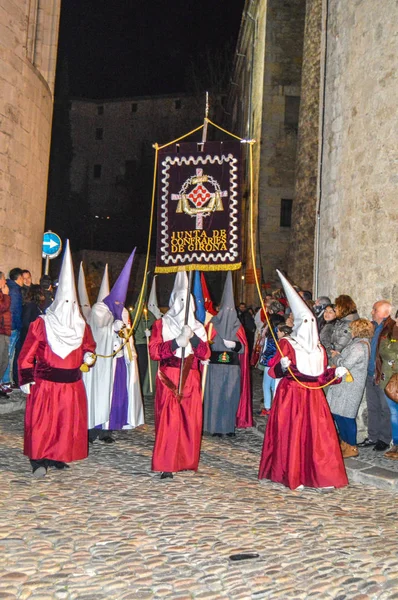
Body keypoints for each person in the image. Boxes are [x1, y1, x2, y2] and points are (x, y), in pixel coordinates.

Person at [258, 270, 348, 491]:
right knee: (293, 435)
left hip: (314, 397)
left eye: (310, 321)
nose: (308, 325)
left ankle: (321, 475)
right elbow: (272, 373)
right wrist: (282, 366)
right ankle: (291, 474)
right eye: (304, 321)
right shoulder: (288, 344)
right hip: (292, 396)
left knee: (319, 437)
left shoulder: (319, 348)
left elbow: (321, 377)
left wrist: (335, 374)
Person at [18, 241, 96, 478]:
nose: (69, 307)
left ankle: (57, 454)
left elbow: (88, 346)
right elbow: (27, 353)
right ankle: (38, 459)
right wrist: (26, 378)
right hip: (46, 385)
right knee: (43, 423)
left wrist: (89, 356)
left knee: (65, 423)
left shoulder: (80, 325)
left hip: (71, 386)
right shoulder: (42, 324)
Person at [149, 272, 210, 479]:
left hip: (191, 378)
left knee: (188, 420)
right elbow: (154, 351)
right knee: (169, 420)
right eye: (180, 300)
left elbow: (205, 354)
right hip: (169, 377)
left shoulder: (198, 327)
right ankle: (167, 463)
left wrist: (192, 339)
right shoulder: (161, 325)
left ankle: (185, 459)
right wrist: (176, 343)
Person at [84, 250, 144, 443]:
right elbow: (97, 330)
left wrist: (130, 351)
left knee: (115, 396)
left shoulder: (124, 311)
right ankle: (93, 428)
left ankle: (108, 429)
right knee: (99, 394)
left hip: (118, 361)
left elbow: (128, 334)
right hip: (101, 362)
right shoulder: (98, 310)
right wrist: (111, 328)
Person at [203, 272, 252, 437]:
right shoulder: (212, 325)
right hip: (215, 367)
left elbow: (244, 349)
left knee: (230, 397)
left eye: (232, 310)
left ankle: (228, 427)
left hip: (232, 368)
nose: (229, 312)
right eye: (226, 309)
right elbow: (205, 344)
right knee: (216, 396)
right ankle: (215, 427)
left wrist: (237, 345)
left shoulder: (238, 327)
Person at [327, 319, 373, 458]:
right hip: (344, 386)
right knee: (338, 414)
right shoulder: (356, 343)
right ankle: (345, 443)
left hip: (350, 387)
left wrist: (336, 357)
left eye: (352, 328)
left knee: (346, 416)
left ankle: (352, 446)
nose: (350, 331)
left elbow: (346, 364)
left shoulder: (359, 347)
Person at [358, 300, 394, 451]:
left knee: (385, 409)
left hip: (384, 374)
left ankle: (384, 439)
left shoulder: (392, 328)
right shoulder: (372, 326)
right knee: (372, 407)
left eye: (375, 309)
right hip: (370, 372)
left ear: (385, 313)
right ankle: (373, 436)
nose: (372, 311)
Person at [0, 268, 23, 390]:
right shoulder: (12, 291)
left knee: (6, 355)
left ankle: (4, 381)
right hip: (9, 328)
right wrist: (14, 327)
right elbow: (9, 310)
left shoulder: (11, 290)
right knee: (6, 355)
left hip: (8, 328)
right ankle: (5, 381)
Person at [378, 318, 398, 459]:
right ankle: (396, 444)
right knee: (394, 413)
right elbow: (384, 351)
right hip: (390, 380)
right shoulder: (388, 332)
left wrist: (394, 354)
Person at [259, 314, 285, 416]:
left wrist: (264, 358)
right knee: (274, 385)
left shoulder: (272, 335)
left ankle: (268, 407)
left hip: (270, 363)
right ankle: (275, 406)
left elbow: (270, 350)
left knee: (266, 385)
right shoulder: (280, 333)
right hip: (278, 363)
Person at [0, 273, 11, 399]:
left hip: (4, 331)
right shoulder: (4, 294)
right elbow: (2, 308)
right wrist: (7, 295)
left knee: (4, 360)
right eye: (3, 279)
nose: (5, 281)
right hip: (1, 331)